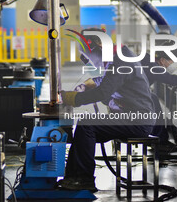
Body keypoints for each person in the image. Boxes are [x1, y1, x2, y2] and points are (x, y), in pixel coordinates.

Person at [57, 29, 155, 192]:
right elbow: (105, 81)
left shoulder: (122, 60)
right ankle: (72, 177)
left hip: (137, 121)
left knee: (87, 125)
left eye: (90, 56)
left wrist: (74, 99)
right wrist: (86, 86)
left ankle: (84, 179)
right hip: (128, 118)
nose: (91, 62)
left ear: (100, 45)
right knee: (84, 127)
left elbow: (104, 91)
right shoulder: (117, 57)